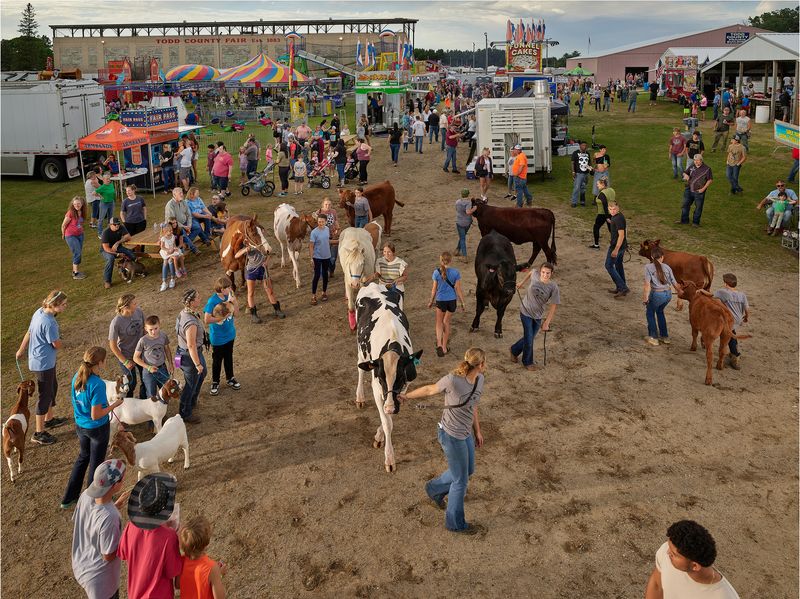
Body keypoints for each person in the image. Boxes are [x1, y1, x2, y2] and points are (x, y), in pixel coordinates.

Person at [397, 348, 486, 535]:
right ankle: (455, 523)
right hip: (451, 436)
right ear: (481, 365)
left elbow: (473, 405)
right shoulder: (453, 380)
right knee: (460, 481)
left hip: (465, 433)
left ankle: (434, 488)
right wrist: (407, 396)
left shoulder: (480, 380)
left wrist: (477, 430)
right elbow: (430, 389)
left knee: (468, 470)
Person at [60, 346, 125, 509]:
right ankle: (91, 502)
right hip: (97, 428)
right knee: (96, 465)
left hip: (81, 426)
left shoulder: (78, 376)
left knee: (83, 458)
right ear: (100, 362)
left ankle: (69, 498)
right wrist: (114, 405)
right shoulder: (97, 384)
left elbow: (76, 402)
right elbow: (96, 414)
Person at [71, 459, 130, 599]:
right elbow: (108, 555)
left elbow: (90, 518)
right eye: (122, 480)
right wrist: (128, 543)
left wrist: (114, 506)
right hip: (100, 579)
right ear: (115, 486)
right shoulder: (110, 517)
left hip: (81, 562)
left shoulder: (85, 495)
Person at [16, 290, 69, 446]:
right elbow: (56, 344)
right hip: (43, 363)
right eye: (63, 304)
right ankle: (38, 433)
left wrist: (21, 349)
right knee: (45, 395)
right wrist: (60, 341)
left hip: (41, 360)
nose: (66, 307)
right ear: (53, 305)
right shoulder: (50, 322)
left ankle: (49, 419)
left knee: (52, 387)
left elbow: (30, 332)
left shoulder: (39, 312)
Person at [118, 474, 183, 599]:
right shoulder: (169, 537)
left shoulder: (130, 526)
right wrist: (178, 542)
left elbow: (123, 553)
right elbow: (172, 572)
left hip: (134, 594)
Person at [644, 520, 740, 599]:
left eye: (674, 554)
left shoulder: (724, 596)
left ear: (695, 566)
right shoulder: (668, 553)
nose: (668, 552)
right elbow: (656, 585)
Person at [510, 263, 559, 370]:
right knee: (529, 338)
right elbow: (532, 271)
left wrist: (547, 322)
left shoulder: (553, 287)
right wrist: (521, 283)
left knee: (530, 337)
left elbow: (554, 305)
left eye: (548, 273)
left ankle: (514, 350)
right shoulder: (535, 275)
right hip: (525, 311)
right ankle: (528, 362)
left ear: (552, 273)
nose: (545, 275)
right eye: (543, 272)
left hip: (538, 315)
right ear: (540, 271)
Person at [203, 276, 241, 396]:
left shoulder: (229, 297)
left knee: (229, 357)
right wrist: (222, 317)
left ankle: (230, 378)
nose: (230, 288)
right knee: (217, 360)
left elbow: (237, 314)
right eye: (228, 287)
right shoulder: (212, 301)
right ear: (221, 288)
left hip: (230, 334)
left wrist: (234, 302)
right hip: (218, 337)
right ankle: (215, 382)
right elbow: (207, 319)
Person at [234, 242, 285, 324]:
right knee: (251, 293)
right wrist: (245, 250)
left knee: (270, 291)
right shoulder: (247, 244)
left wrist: (267, 261)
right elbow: (236, 255)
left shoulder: (262, 241)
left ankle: (277, 310)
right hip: (251, 270)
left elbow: (269, 252)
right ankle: (254, 315)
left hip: (262, 269)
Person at [178, 515, 228, 599]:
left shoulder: (181, 561)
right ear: (206, 543)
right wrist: (219, 575)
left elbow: (178, 584)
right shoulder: (212, 567)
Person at [108, 294, 147, 400]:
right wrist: (125, 361)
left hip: (140, 353)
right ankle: (127, 403)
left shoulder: (139, 312)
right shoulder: (116, 322)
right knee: (131, 383)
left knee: (145, 379)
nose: (137, 305)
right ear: (126, 307)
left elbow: (144, 329)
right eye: (134, 304)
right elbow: (112, 345)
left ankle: (143, 401)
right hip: (127, 356)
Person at [176, 289, 206, 424]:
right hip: (189, 356)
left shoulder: (185, 312)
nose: (200, 299)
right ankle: (185, 413)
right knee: (190, 383)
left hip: (187, 353)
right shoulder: (190, 321)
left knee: (202, 373)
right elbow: (191, 345)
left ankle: (192, 400)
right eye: (198, 297)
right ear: (192, 302)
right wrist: (197, 364)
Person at [642, 247, 681, 346]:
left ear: (651, 257)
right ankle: (665, 336)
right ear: (662, 257)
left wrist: (645, 298)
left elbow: (647, 285)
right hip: (668, 295)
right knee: (660, 312)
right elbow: (674, 283)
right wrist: (680, 291)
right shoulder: (667, 267)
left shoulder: (648, 267)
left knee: (650, 313)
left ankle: (653, 337)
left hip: (657, 294)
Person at [428, 252, 466, 357]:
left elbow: (434, 289)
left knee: (439, 323)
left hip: (441, 300)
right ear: (451, 260)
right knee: (446, 322)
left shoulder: (436, 273)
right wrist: (462, 302)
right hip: (452, 301)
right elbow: (458, 289)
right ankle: (444, 347)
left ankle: (439, 344)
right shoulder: (456, 272)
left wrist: (431, 301)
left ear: (441, 261)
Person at [713, 273, 750, 371]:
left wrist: (702, 291)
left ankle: (735, 355)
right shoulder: (742, 294)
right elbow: (746, 308)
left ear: (725, 283)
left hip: (729, 319)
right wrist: (746, 317)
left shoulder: (722, 292)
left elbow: (712, 298)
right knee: (732, 332)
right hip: (738, 318)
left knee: (730, 335)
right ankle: (734, 352)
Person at [134, 315, 174, 401]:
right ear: (145, 328)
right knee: (151, 395)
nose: (153, 332)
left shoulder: (163, 336)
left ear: (159, 325)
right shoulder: (143, 340)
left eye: (156, 328)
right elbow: (135, 358)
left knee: (166, 391)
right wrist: (148, 367)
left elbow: (167, 349)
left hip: (162, 368)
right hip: (149, 372)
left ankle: (163, 412)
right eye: (150, 329)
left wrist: (170, 363)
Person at [677, 154, 713, 227]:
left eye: (698, 160)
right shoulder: (692, 166)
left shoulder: (707, 169)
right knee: (685, 205)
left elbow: (710, 180)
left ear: (701, 160)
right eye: (695, 160)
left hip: (699, 191)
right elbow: (685, 172)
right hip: (688, 189)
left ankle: (695, 223)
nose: (696, 162)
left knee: (698, 207)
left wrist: (703, 189)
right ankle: (684, 221)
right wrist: (685, 175)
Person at [100, 218, 137, 290]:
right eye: (115, 224)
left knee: (132, 255)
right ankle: (107, 281)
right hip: (106, 250)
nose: (117, 226)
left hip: (118, 247)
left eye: (118, 224)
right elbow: (106, 248)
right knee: (111, 259)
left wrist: (118, 243)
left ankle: (129, 270)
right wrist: (117, 254)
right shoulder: (105, 233)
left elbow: (128, 237)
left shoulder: (121, 227)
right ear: (110, 225)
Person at [164, 188, 200, 255]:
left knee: (197, 227)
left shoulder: (184, 202)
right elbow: (172, 221)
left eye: (182, 193)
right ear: (174, 195)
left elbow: (189, 215)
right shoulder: (170, 205)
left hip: (185, 223)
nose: (182, 194)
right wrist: (184, 227)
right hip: (174, 225)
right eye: (180, 193)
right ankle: (193, 248)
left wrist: (189, 226)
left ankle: (186, 243)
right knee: (182, 231)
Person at [605, 200, 629, 298]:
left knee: (609, 265)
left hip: (617, 247)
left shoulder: (617, 219)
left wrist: (616, 249)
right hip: (622, 246)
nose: (612, 211)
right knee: (618, 265)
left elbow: (621, 235)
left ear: (618, 207)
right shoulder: (617, 217)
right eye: (610, 209)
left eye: (614, 209)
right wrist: (612, 222)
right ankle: (620, 287)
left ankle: (623, 287)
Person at [62, 196, 87, 280]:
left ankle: (74, 271)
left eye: (78, 203)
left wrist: (81, 231)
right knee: (77, 253)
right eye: (75, 204)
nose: (77, 205)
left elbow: (80, 222)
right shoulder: (70, 213)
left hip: (80, 235)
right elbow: (63, 225)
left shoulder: (82, 212)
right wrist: (63, 234)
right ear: (72, 204)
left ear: (82, 204)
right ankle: (75, 274)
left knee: (78, 252)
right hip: (70, 235)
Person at [309, 215, 333, 306]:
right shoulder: (314, 232)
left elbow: (327, 241)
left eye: (322, 222)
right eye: (319, 222)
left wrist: (339, 241)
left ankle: (324, 292)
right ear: (317, 221)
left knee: (325, 275)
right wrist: (311, 258)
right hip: (317, 257)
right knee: (317, 275)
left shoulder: (327, 229)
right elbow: (311, 246)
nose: (321, 223)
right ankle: (313, 295)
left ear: (326, 222)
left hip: (327, 256)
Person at [589, 177, 614, 249]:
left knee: (596, 227)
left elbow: (605, 204)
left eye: (598, 184)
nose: (597, 185)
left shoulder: (602, 194)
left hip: (602, 214)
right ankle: (619, 243)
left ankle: (596, 245)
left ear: (602, 184)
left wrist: (607, 217)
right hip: (612, 212)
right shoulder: (611, 190)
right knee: (612, 230)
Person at [318, 197, 340, 276]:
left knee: (333, 257)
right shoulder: (319, 212)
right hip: (323, 238)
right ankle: (325, 273)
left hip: (333, 236)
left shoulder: (333, 211)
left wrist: (337, 229)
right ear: (323, 204)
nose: (328, 206)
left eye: (329, 204)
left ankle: (331, 270)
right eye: (326, 204)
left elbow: (336, 221)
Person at [159, 224, 182, 291]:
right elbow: (162, 247)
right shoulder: (163, 238)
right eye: (169, 231)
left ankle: (172, 279)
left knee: (170, 261)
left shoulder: (173, 236)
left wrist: (175, 248)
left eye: (171, 230)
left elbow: (174, 244)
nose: (171, 231)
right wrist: (168, 250)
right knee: (165, 262)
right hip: (166, 252)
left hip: (172, 251)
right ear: (165, 232)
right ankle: (164, 281)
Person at [455, 188, 476, 259]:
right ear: (468, 194)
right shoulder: (468, 203)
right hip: (467, 223)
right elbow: (468, 212)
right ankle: (462, 254)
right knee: (462, 237)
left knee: (462, 237)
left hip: (459, 222)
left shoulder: (457, 202)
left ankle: (459, 251)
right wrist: (474, 209)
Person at [571, 140, 592, 207]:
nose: (584, 147)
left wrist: (590, 169)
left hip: (586, 173)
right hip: (578, 173)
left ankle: (582, 201)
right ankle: (574, 202)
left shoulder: (587, 153)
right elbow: (572, 163)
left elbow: (589, 163)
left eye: (585, 145)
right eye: (583, 145)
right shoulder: (575, 153)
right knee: (577, 187)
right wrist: (573, 171)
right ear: (580, 146)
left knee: (583, 188)